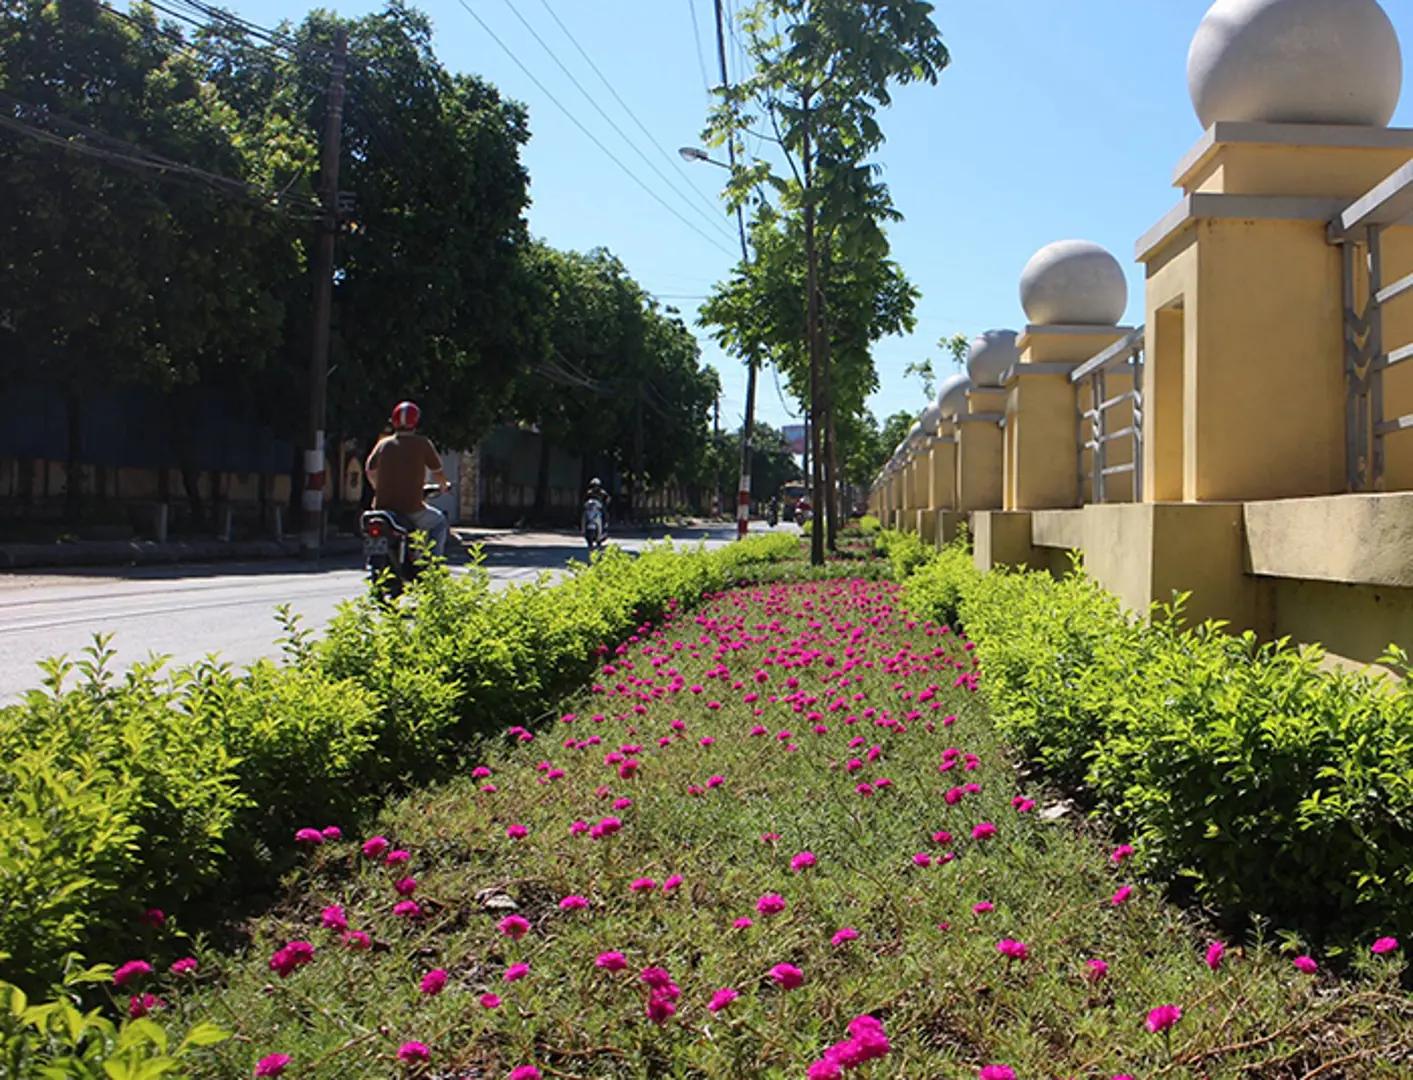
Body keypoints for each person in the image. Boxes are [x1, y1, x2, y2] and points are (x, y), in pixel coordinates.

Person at [364, 401, 451, 558]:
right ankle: (433, 567)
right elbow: (437, 472)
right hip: (412, 509)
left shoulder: (383, 444)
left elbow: (370, 470)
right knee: (439, 522)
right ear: (416, 422)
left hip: (382, 509)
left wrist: (378, 488)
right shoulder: (423, 444)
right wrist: (444, 486)